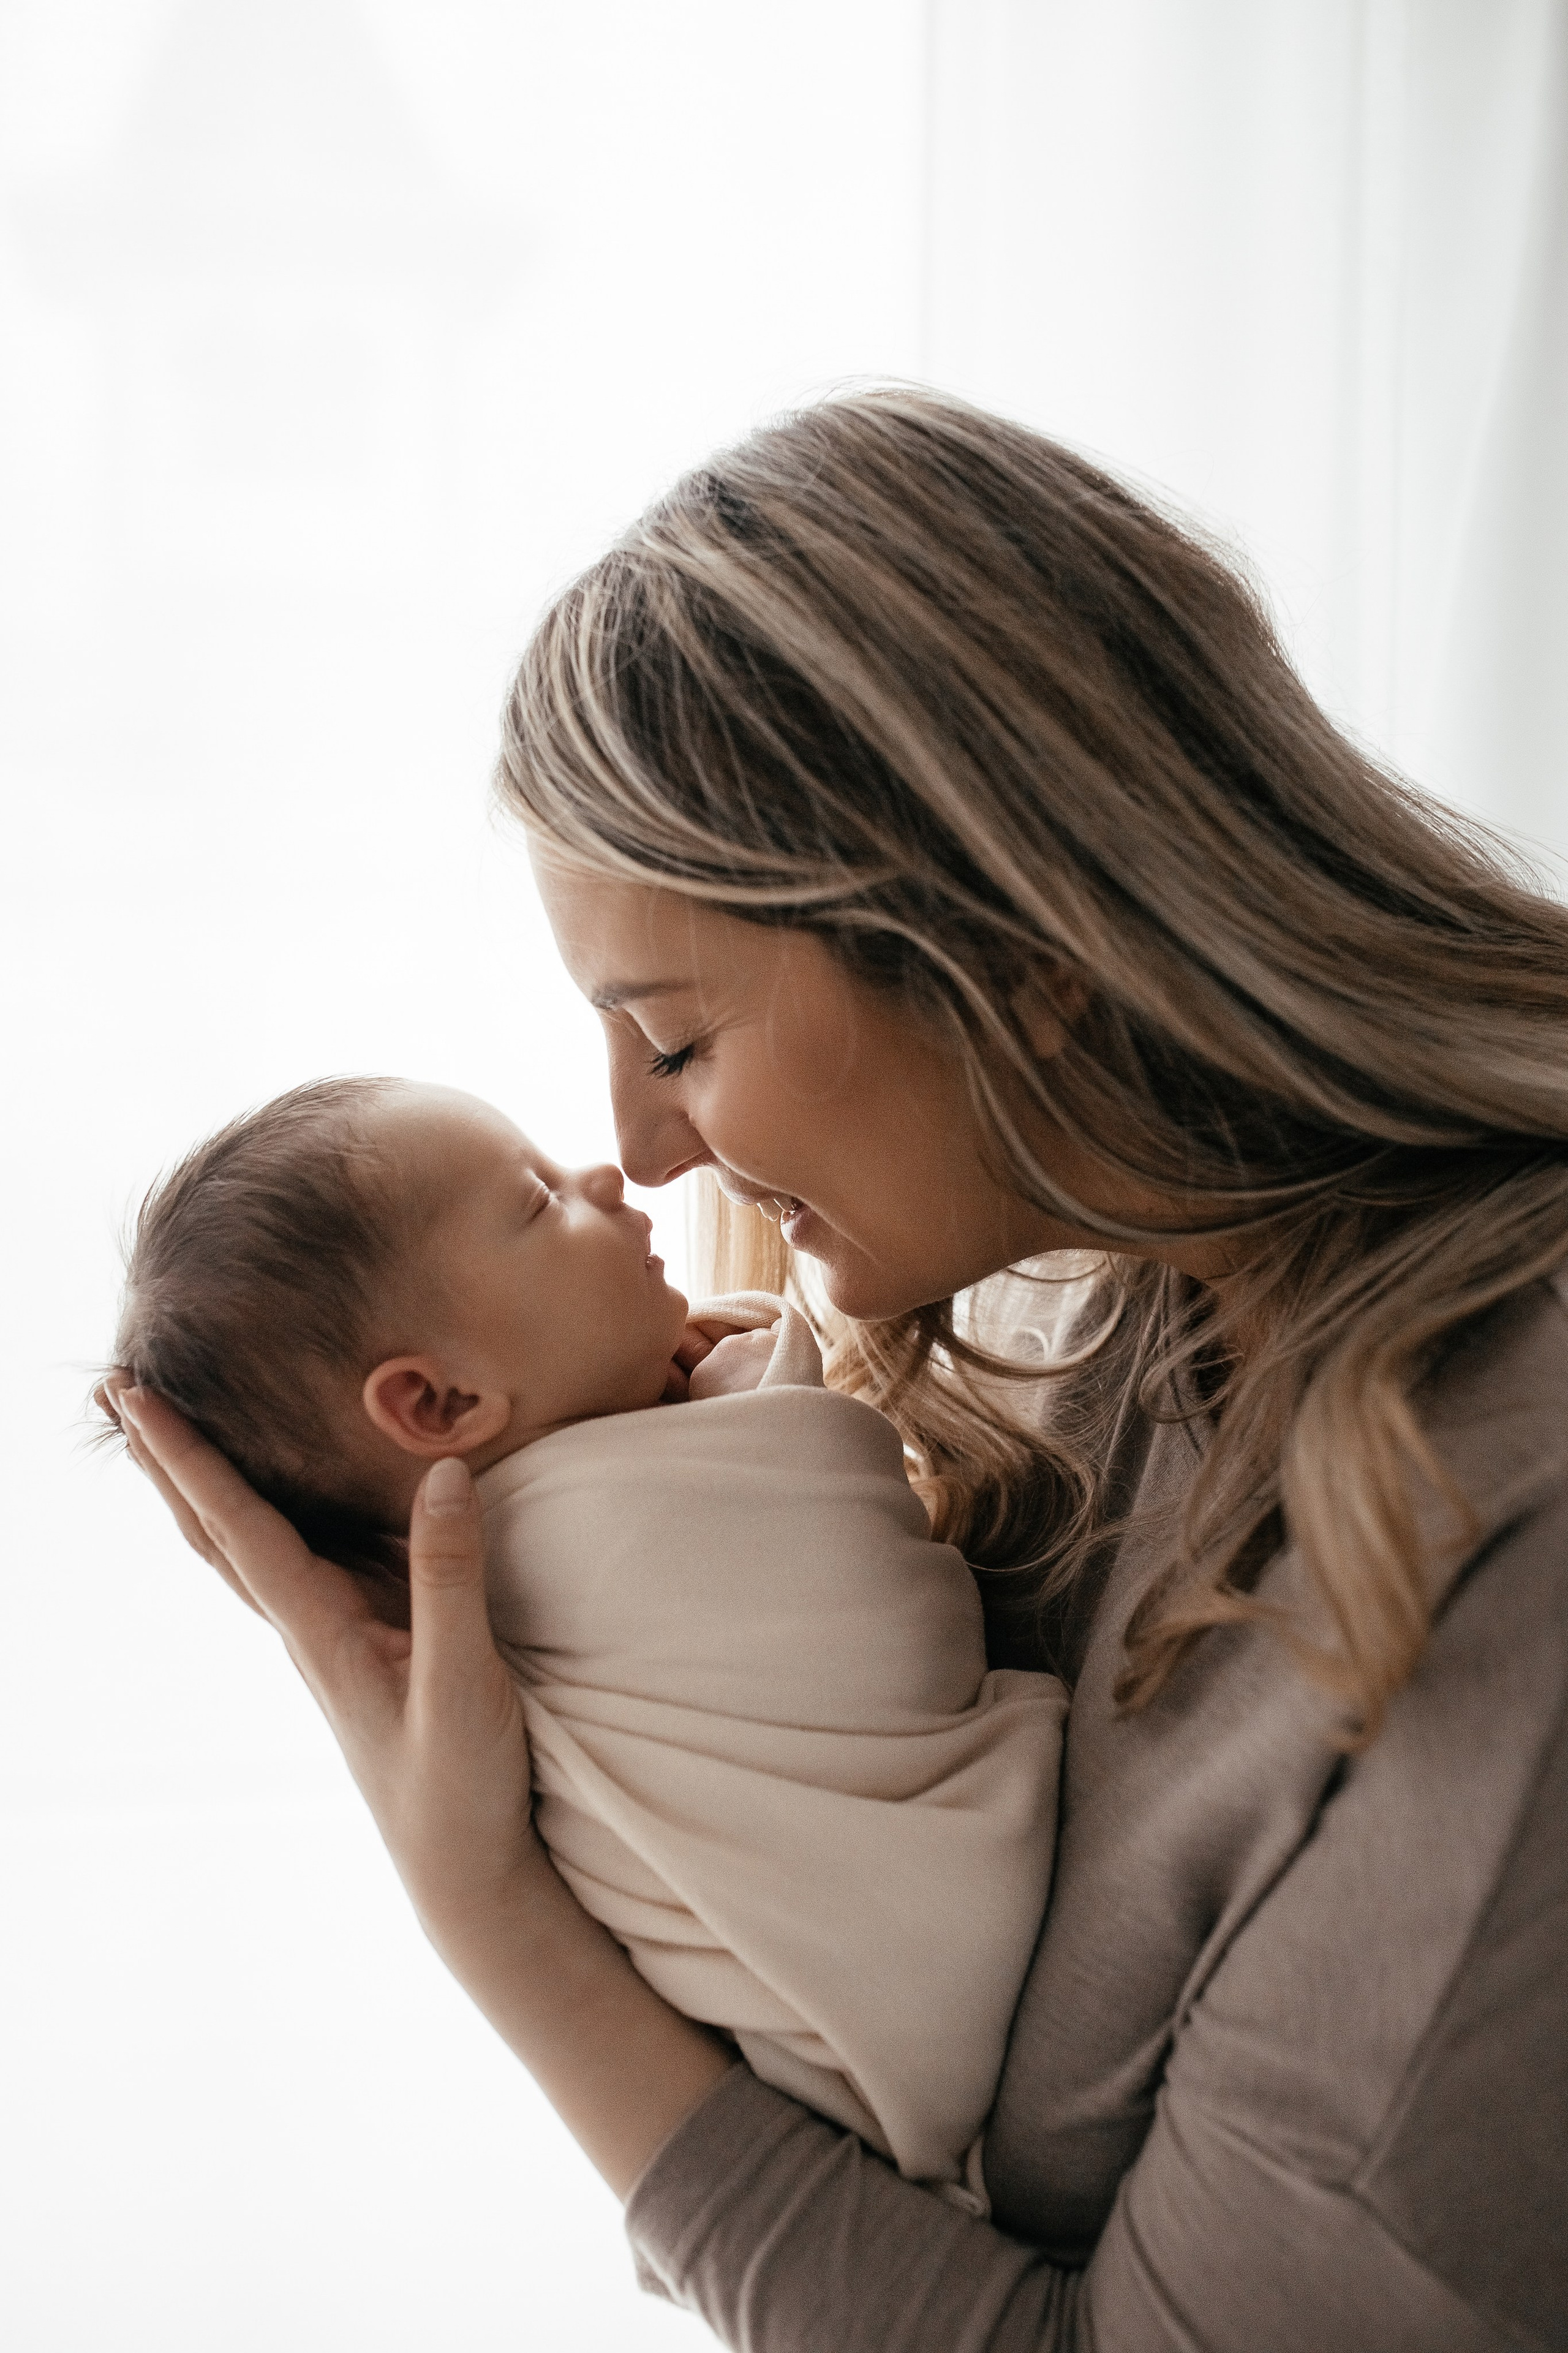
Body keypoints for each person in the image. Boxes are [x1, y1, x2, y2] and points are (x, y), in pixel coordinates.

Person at [108, 388, 1568, 2352]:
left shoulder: (1513, 1528)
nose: (641, 1154)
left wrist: (501, 1932)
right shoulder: (1100, 1320)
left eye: (679, 1041)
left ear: (1020, 946)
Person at [102, 1074, 1067, 2203]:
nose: (605, 1173)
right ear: (442, 1405)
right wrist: (762, 1370)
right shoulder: (565, 1552)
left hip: (854, 2083)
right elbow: (859, 1567)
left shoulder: (602, 1497)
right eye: (537, 1200)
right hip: (908, 1979)